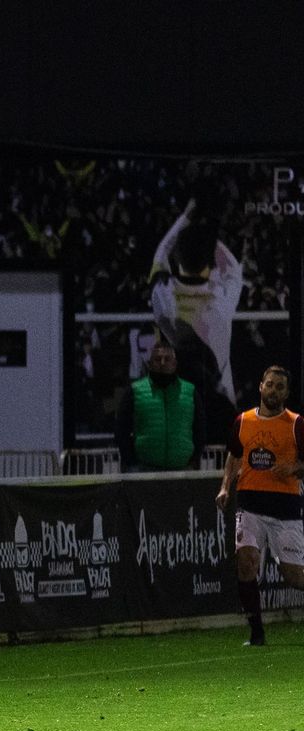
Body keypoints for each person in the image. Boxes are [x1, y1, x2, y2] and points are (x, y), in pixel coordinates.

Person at [215, 365, 304, 647]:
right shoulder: (243, 421)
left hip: (285, 510)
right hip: (249, 505)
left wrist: (293, 468)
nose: (273, 390)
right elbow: (234, 455)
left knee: (294, 577)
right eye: (270, 384)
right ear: (260, 386)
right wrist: (225, 486)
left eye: (280, 387)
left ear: (286, 393)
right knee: (246, 564)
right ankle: (256, 633)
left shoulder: (296, 423)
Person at [150, 199, 242, 413]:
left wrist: (186, 216)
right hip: (220, 405)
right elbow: (233, 268)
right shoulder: (222, 297)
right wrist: (209, 235)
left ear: (177, 257)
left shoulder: (163, 295)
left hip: (179, 406)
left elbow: (161, 254)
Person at [115, 335, 206, 472]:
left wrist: (193, 459)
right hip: (143, 470)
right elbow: (121, 429)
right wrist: (131, 461)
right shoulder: (135, 391)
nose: (162, 363)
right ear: (150, 363)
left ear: (174, 364)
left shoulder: (190, 392)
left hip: (183, 470)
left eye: (167, 359)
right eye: (157, 359)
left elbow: (200, 429)